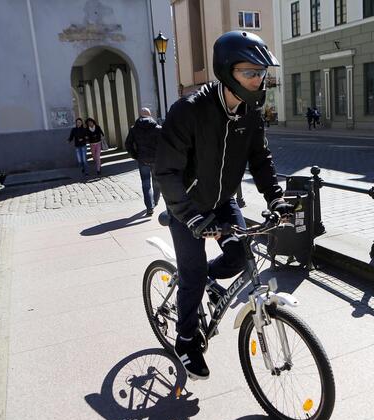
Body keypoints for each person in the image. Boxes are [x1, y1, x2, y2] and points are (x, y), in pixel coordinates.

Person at [155, 30, 294, 380]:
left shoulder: (249, 113)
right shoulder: (189, 111)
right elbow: (166, 171)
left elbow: (260, 158)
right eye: (250, 72)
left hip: (221, 203)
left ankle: (208, 285)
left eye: (262, 73)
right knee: (192, 274)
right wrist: (190, 217)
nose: (258, 79)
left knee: (237, 256)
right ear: (227, 71)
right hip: (186, 208)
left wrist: (275, 197)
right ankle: (185, 339)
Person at [125, 107, 161, 216]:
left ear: (140, 116)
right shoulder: (157, 128)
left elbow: (128, 144)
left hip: (142, 160)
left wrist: (135, 155)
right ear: (150, 115)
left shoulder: (134, 129)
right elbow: (165, 144)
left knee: (146, 184)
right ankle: (155, 201)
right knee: (156, 182)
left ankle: (149, 207)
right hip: (156, 160)